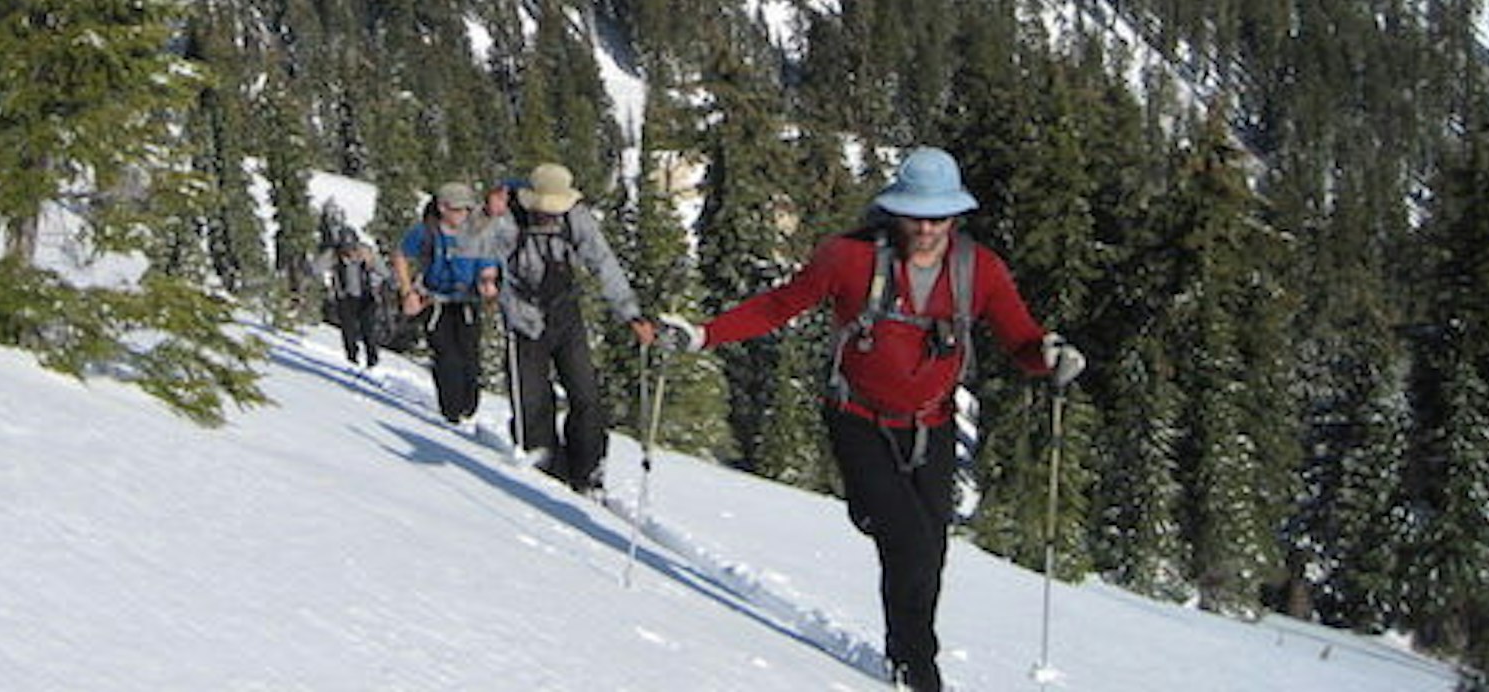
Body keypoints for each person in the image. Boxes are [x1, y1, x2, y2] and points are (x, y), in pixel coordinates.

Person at [657, 147, 1086, 692]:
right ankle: (917, 668)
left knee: (929, 547)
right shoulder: (849, 258)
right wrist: (702, 334)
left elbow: (1019, 336)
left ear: (956, 216)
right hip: (856, 416)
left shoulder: (979, 270)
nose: (927, 228)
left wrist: (1049, 356)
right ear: (896, 212)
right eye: (916, 215)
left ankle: (904, 648)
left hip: (931, 422)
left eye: (938, 216)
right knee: (907, 538)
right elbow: (779, 306)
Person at [474, 162, 658, 494]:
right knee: (531, 401)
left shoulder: (576, 217)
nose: (549, 215)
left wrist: (630, 313)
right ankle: (546, 471)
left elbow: (603, 262)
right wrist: (488, 216)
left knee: (586, 397)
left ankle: (588, 473)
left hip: (565, 314)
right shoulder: (508, 216)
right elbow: (473, 246)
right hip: (523, 317)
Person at [393, 182, 500, 423]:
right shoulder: (426, 232)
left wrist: (488, 284)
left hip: (467, 302)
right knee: (446, 357)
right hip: (435, 302)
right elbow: (401, 256)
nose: (463, 215)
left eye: (467, 210)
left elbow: (488, 262)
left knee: (470, 359)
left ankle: (467, 408)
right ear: (443, 208)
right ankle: (450, 413)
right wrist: (407, 291)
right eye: (458, 209)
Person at [320, 231, 387, 369]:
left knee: (368, 329)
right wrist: (329, 255)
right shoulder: (335, 256)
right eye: (346, 249)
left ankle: (372, 360)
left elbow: (385, 273)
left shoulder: (367, 254)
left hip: (367, 296)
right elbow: (316, 268)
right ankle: (352, 358)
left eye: (352, 248)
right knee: (348, 329)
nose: (350, 253)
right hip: (345, 296)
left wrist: (372, 259)